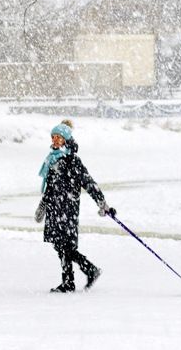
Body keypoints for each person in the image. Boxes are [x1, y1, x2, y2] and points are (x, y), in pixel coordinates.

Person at [34, 120, 114, 293]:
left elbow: (88, 182)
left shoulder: (72, 160)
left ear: (66, 140)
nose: (55, 140)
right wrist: (43, 205)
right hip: (55, 209)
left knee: (65, 246)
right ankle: (70, 280)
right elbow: (51, 187)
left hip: (67, 210)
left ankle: (86, 272)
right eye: (53, 137)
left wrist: (102, 203)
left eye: (59, 137)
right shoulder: (53, 159)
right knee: (60, 245)